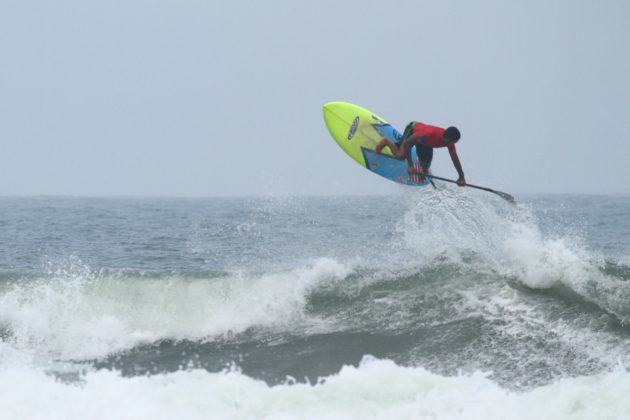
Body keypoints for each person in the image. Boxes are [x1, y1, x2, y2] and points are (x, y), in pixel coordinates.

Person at [375, 122, 466, 186]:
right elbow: (408, 144)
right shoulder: (427, 134)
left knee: (425, 169)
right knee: (401, 156)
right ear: (447, 139)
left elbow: (455, 159)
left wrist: (461, 176)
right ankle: (386, 142)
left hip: (426, 143)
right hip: (413, 130)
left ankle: (421, 171)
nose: (452, 145)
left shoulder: (449, 143)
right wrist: (410, 165)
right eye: (452, 142)